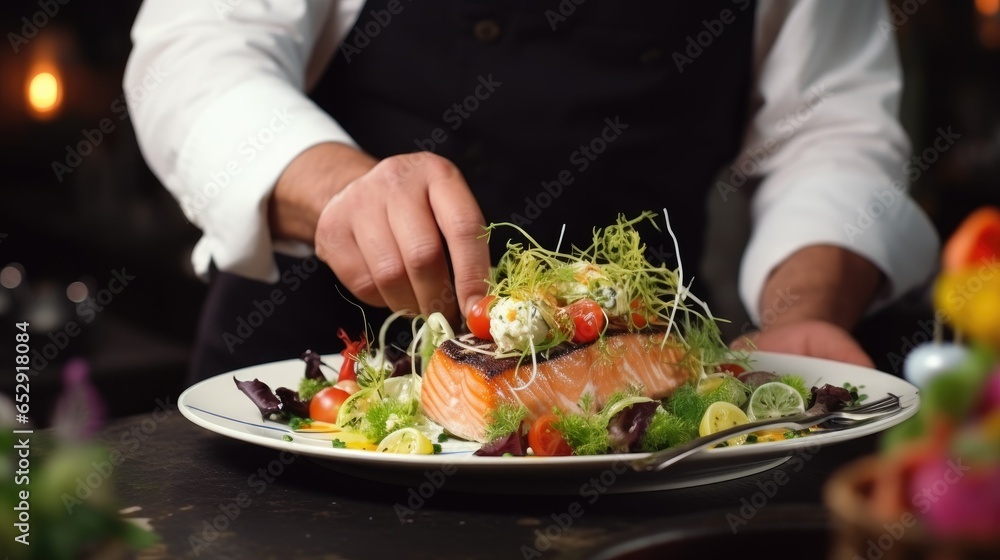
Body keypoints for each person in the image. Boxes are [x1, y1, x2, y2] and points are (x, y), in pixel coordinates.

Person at [124, 0, 939, 381]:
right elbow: (193, 46)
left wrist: (803, 318)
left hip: (635, 443)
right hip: (298, 403)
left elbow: (834, 128)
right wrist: (340, 185)